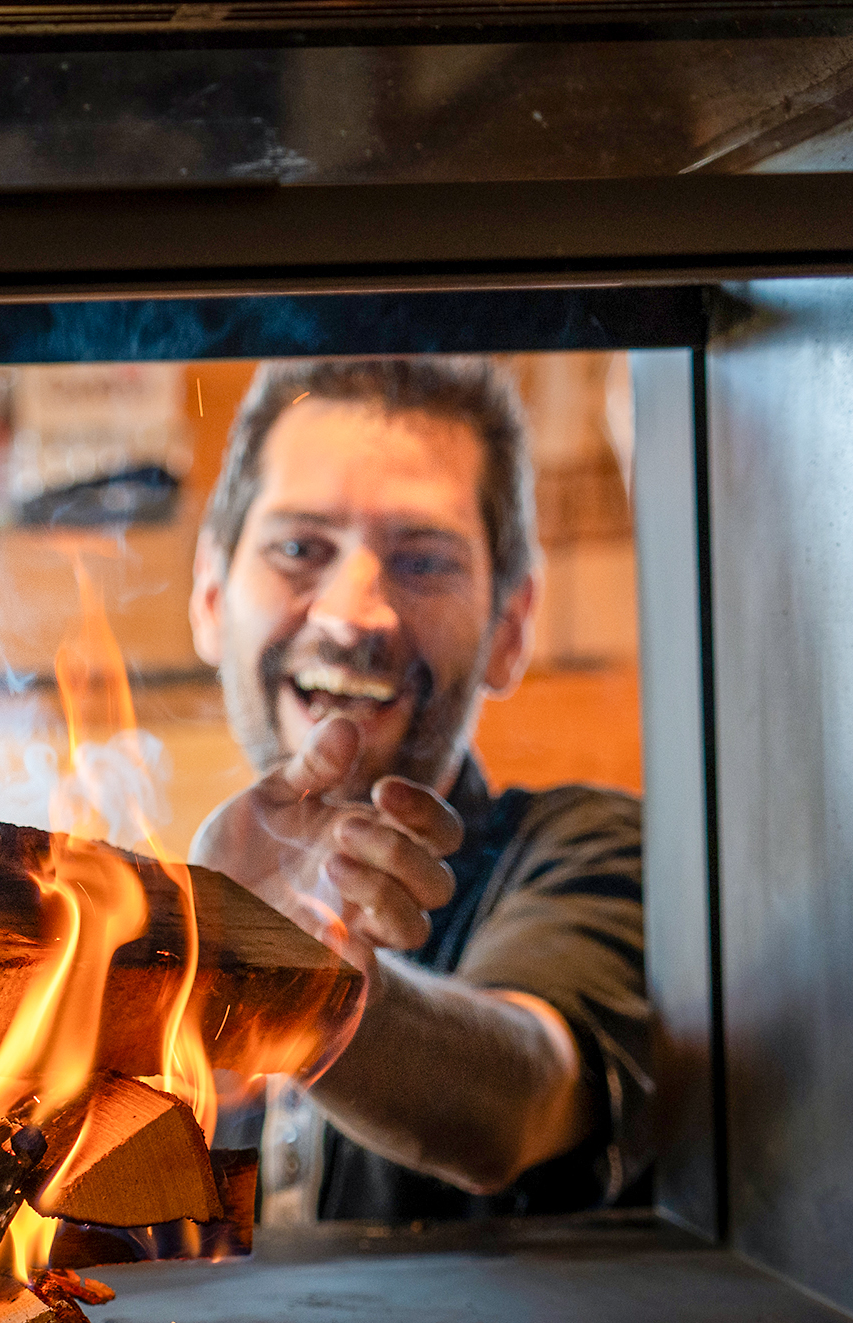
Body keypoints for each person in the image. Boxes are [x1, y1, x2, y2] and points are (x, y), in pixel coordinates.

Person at [185, 357, 651, 1223]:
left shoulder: (589, 850)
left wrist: (298, 991)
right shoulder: (163, 923)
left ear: (510, 628)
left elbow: (525, 1100)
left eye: (422, 562)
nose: (353, 613)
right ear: (211, 596)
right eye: (299, 549)